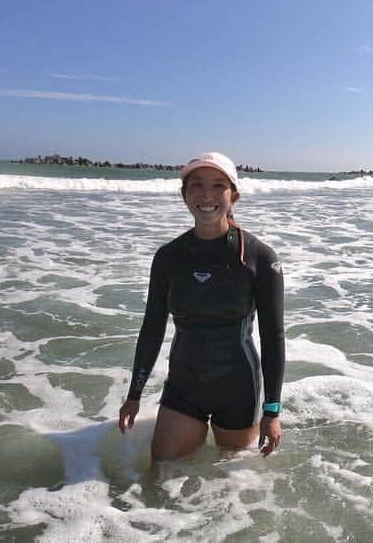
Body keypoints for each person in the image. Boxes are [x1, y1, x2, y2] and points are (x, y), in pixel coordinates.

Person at [118, 152, 285, 460]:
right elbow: (152, 328)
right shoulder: (168, 257)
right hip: (184, 386)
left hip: (238, 389)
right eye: (196, 185)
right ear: (184, 194)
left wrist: (272, 411)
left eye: (218, 185)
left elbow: (273, 338)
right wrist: (134, 396)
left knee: (230, 487)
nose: (206, 195)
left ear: (233, 195)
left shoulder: (260, 257)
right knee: (161, 476)